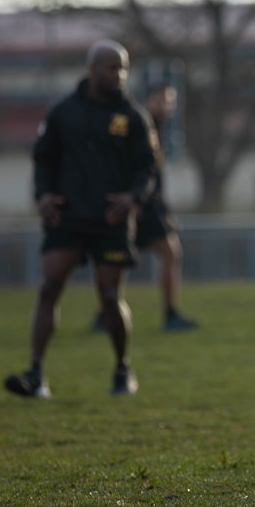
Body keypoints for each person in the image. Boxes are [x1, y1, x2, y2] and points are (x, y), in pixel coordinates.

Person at [4, 40, 157, 398]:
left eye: (123, 68)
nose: (118, 75)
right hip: (67, 216)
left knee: (108, 295)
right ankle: (36, 374)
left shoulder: (133, 116)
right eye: (111, 67)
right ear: (92, 70)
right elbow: (44, 160)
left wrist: (133, 196)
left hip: (111, 218)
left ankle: (122, 369)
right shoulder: (63, 111)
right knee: (49, 287)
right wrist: (43, 196)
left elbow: (147, 167)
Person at [91, 83, 198, 332]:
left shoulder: (157, 128)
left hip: (148, 203)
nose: (167, 106)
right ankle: (167, 314)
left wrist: (163, 208)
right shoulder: (135, 121)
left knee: (123, 259)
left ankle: (105, 314)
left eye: (170, 101)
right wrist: (133, 198)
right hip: (138, 204)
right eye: (161, 99)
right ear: (148, 98)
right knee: (158, 254)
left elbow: (153, 174)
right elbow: (123, 161)